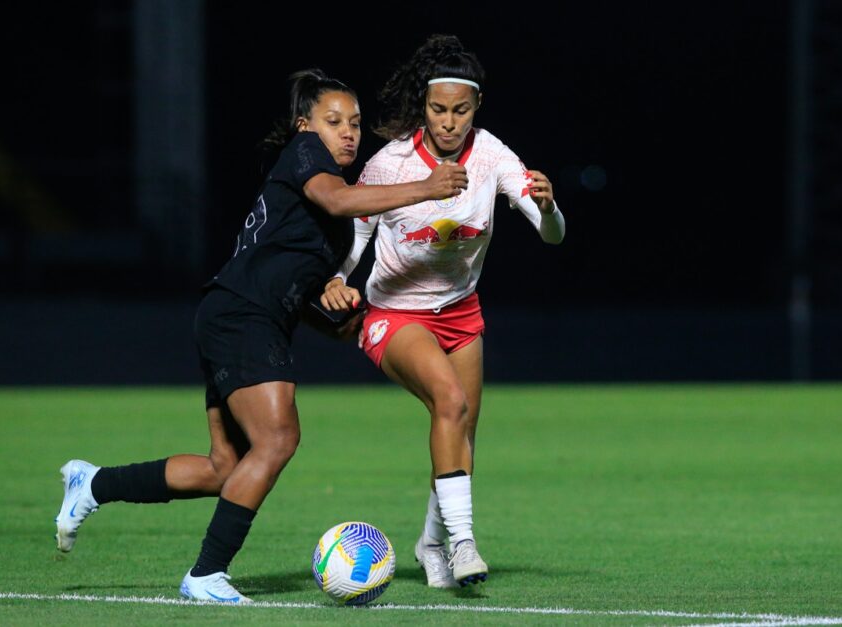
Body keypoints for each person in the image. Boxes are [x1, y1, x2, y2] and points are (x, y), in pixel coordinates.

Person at [53, 69, 468, 603]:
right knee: (277, 439)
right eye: (333, 121)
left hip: (235, 313)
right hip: (243, 315)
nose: (348, 132)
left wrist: (337, 311)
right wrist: (428, 187)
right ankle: (206, 575)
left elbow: (302, 290)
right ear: (304, 125)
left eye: (356, 124)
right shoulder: (306, 155)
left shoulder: (330, 213)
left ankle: (93, 483)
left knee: (224, 467)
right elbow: (342, 202)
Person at [320, 35, 566, 588]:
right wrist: (336, 278)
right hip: (393, 313)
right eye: (438, 110)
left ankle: (430, 543)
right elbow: (357, 234)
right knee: (449, 403)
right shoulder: (392, 162)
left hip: (460, 312)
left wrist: (550, 208)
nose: (448, 122)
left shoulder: (493, 156)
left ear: (476, 108)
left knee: (461, 430)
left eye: (460, 110)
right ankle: (464, 543)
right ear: (423, 106)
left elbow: (551, 235)